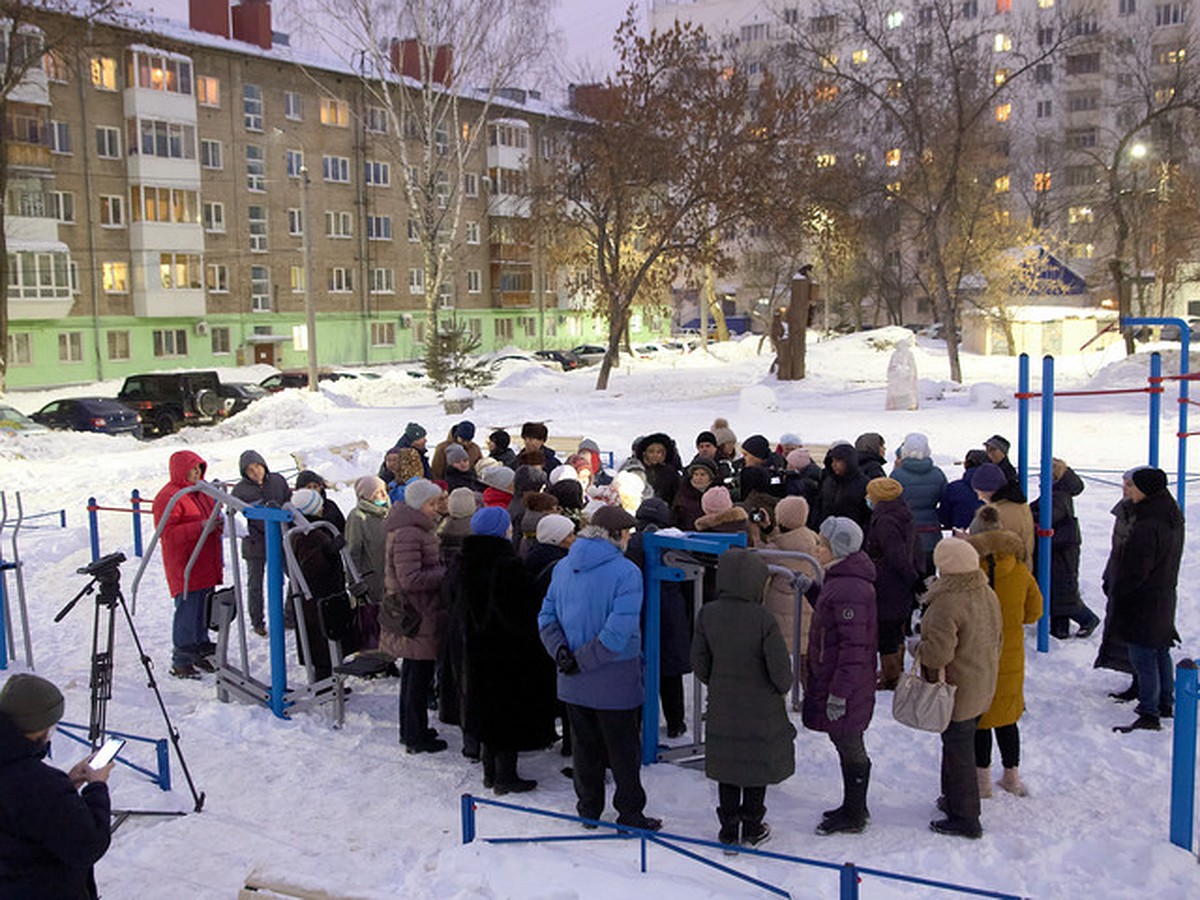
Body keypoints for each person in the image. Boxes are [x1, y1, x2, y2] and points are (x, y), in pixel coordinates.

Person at [538, 505, 662, 832]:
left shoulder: (563, 566)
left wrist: (563, 654)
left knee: (584, 747)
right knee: (623, 752)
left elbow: (546, 618)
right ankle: (630, 814)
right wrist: (584, 659)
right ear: (618, 535)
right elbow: (618, 632)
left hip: (571, 678)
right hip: (614, 677)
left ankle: (588, 809)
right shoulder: (626, 572)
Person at [692, 548, 795, 848]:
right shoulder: (764, 619)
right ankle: (752, 824)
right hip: (761, 706)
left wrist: (718, 681)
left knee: (728, 765)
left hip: (723, 702)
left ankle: (728, 826)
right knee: (754, 766)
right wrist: (780, 687)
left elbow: (700, 662)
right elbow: (780, 670)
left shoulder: (707, 614)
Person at [459, 507, 557, 793]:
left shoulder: (467, 561)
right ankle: (505, 776)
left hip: (477, 647)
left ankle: (490, 772)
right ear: (503, 531)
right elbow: (523, 610)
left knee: (486, 709)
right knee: (506, 713)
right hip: (507, 651)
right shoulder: (507, 566)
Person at [918, 538, 1003, 840]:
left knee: (958, 751)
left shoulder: (947, 602)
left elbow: (938, 654)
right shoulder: (985, 592)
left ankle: (966, 817)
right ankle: (953, 799)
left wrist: (920, 648)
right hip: (982, 683)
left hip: (958, 689)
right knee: (959, 746)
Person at [0, 674, 113, 900]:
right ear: (38, 727)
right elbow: (87, 844)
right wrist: (97, 787)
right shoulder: (40, 784)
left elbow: (19, 811)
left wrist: (68, 784)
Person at [803, 517, 878, 836]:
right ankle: (853, 806)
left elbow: (853, 647)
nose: (815, 548)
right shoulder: (840, 579)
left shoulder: (850, 588)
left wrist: (839, 693)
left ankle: (855, 811)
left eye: (821, 544)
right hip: (838, 676)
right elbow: (831, 615)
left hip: (846, 682)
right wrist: (811, 590)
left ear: (838, 548)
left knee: (849, 740)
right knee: (843, 738)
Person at [965, 508, 1042, 798]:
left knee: (981, 718)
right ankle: (1012, 776)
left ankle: (982, 783)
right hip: (1010, 654)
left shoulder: (971, 572)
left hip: (978, 651)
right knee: (1008, 717)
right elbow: (1034, 611)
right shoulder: (1020, 569)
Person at [1110, 467, 1185, 733]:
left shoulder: (1147, 525)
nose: (1126, 490)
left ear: (1146, 489)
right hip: (1163, 594)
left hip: (1144, 599)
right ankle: (1165, 702)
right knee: (1159, 649)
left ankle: (1149, 711)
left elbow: (1136, 569)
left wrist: (1121, 591)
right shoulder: (1170, 515)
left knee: (1143, 655)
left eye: (1132, 486)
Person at [381, 478, 448, 753]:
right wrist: (446, 574)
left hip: (418, 611)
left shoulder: (412, 529)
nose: (436, 508)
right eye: (432, 504)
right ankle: (414, 735)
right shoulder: (410, 533)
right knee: (417, 676)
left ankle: (414, 729)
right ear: (420, 504)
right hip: (417, 613)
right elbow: (410, 578)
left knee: (414, 674)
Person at [152, 449, 223, 679]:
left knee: (204, 609)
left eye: (199, 468)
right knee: (187, 611)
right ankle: (182, 659)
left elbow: (212, 516)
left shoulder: (202, 492)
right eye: (192, 469)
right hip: (186, 564)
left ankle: (200, 650)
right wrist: (200, 527)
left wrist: (218, 524)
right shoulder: (169, 497)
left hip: (205, 560)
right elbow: (167, 533)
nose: (196, 473)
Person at [626, 498, 690, 739]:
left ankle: (637, 722)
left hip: (637, 611)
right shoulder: (674, 545)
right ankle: (676, 722)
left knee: (637, 672)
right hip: (671, 613)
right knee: (670, 673)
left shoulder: (630, 544)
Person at [1030, 459, 1100, 639]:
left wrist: (1028, 515)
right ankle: (1059, 629)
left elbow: (1050, 516)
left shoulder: (1058, 495)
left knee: (1062, 592)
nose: (1038, 477)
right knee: (1056, 590)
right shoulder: (1056, 492)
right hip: (1058, 547)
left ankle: (1087, 618)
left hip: (1060, 550)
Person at [863, 477, 921, 691]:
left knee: (887, 628)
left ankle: (890, 675)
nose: (867, 498)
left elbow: (895, 553)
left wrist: (909, 577)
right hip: (899, 582)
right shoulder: (902, 513)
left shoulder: (886, 520)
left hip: (888, 581)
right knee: (897, 626)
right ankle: (895, 669)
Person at [288, 488, 348, 680]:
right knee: (320, 641)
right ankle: (323, 683)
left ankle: (328, 679)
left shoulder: (311, 529)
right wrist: (330, 551)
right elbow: (312, 568)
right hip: (317, 597)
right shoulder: (306, 534)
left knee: (326, 640)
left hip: (323, 595)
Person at [231, 449, 291, 637]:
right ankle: (257, 621)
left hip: (280, 538)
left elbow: (289, 501)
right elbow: (233, 516)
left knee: (295, 576)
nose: (255, 472)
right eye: (250, 470)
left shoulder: (277, 481)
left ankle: (289, 615)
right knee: (255, 584)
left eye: (257, 466)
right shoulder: (240, 490)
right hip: (255, 543)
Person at [1096, 468, 1143, 698]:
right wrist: (1109, 575)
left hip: (1135, 585)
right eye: (1123, 484)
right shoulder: (1126, 510)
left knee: (1143, 641)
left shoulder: (1144, 516)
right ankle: (1138, 682)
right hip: (1121, 578)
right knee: (1127, 636)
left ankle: (1147, 689)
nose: (1124, 489)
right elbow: (1117, 550)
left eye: (1129, 485)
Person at [764, 496, 820, 684]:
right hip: (807, 606)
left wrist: (758, 535)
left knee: (778, 657)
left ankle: (778, 693)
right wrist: (771, 531)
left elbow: (760, 559)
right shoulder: (813, 539)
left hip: (781, 610)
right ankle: (808, 694)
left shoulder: (777, 547)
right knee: (805, 656)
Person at [345, 475, 389, 651]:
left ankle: (388, 656)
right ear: (366, 495)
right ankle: (372, 658)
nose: (383, 496)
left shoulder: (388, 512)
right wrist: (354, 581)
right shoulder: (358, 517)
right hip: (371, 579)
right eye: (377, 492)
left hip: (389, 576)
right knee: (371, 622)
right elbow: (352, 552)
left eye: (384, 491)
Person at [892, 432, 947, 572]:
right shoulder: (937, 474)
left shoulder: (897, 475)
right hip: (931, 534)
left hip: (906, 534)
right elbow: (945, 500)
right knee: (929, 577)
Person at [970, 463, 1034, 567]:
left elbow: (995, 545)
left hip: (1003, 573)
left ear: (990, 490)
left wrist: (967, 541)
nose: (979, 498)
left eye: (980, 493)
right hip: (1020, 569)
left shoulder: (997, 512)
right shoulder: (1019, 505)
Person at [812, 442, 870, 530]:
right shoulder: (829, 482)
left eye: (838, 461)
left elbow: (867, 515)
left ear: (849, 461)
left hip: (852, 536)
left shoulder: (864, 484)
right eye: (832, 461)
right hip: (826, 533)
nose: (833, 465)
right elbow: (819, 507)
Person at [939, 449, 986, 531]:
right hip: (990, 539)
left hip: (961, 537)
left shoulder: (953, 488)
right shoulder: (996, 488)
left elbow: (944, 517)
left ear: (966, 464)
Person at [632, 433, 683, 506]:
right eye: (651, 452)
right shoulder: (637, 471)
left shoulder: (671, 473)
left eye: (659, 452)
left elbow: (677, 497)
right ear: (645, 454)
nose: (655, 455)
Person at [672, 457, 716, 531]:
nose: (699, 478)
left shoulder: (718, 493)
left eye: (702, 475)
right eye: (696, 474)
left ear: (710, 477)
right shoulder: (683, 493)